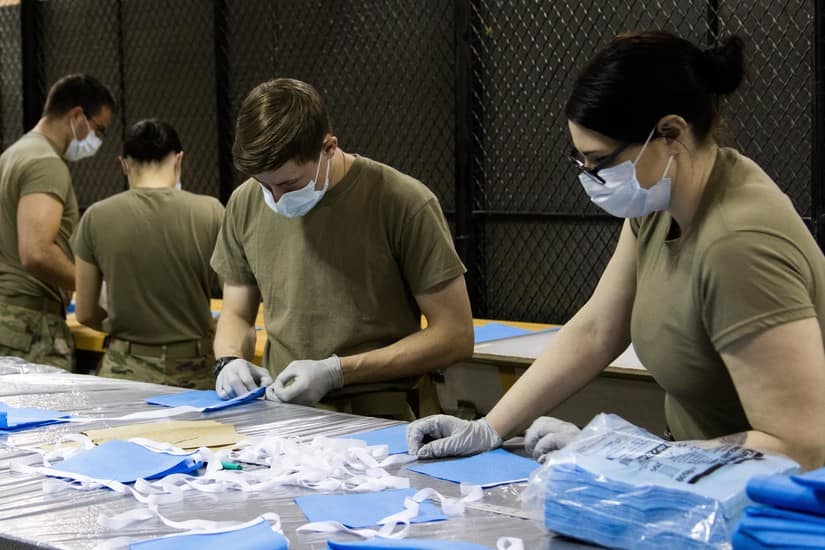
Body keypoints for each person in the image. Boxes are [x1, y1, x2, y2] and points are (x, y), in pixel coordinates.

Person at [407, 32, 825, 470]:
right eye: (580, 160)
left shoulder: (738, 244)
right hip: (707, 479)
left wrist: (636, 458)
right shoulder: (663, 199)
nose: (589, 177)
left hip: (780, 501)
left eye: (600, 161)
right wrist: (491, 427)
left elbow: (799, 446)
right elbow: (598, 328)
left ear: (670, 134)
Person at [210, 78, 473, 420]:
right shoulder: (245, 202)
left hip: (379, 415)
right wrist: (230, 360)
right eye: (265, 184)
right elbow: (236, 314)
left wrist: (337, 372)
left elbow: (455, 335)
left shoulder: (402, 202)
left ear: (329, 148)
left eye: (290, 183)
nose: (276, 199)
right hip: (281, 413)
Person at [72, 119, 224, 389]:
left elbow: (84, 312)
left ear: (124, 164)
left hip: (124, 370)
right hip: (194, 370)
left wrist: (125, 331)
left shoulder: (96, 216)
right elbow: (236, 301)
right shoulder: (211, 212)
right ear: (179, 160)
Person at [0, 74, 115, 370]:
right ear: (77, 116)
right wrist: (92, 286)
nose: (97, 141)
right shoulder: (45, 163)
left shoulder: (12, 155)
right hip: (29, 325)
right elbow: (37, 252)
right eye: (98, 130)